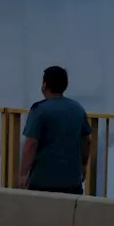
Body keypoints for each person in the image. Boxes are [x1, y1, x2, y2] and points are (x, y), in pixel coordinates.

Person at [19, 65, 92, 194]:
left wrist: (23, 174)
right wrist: (84, 165)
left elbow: (31, 143)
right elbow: (86, 140)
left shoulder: (39, 110)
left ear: (44, 85)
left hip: (42, 183)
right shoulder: (78, 109)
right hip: (72, 183)